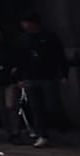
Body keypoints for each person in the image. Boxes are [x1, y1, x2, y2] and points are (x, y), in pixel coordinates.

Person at [18, 13, 68, 146]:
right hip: (30, 77)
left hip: (48, 75)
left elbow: (59, 56)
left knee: (52, 104)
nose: (25, 25)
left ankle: (60, 124)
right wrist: (21, 77)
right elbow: (20, 59)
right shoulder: (23, 39)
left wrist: (63, 74)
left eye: (27, 22)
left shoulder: (49, 36)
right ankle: (42, 134)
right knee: (36, 107)